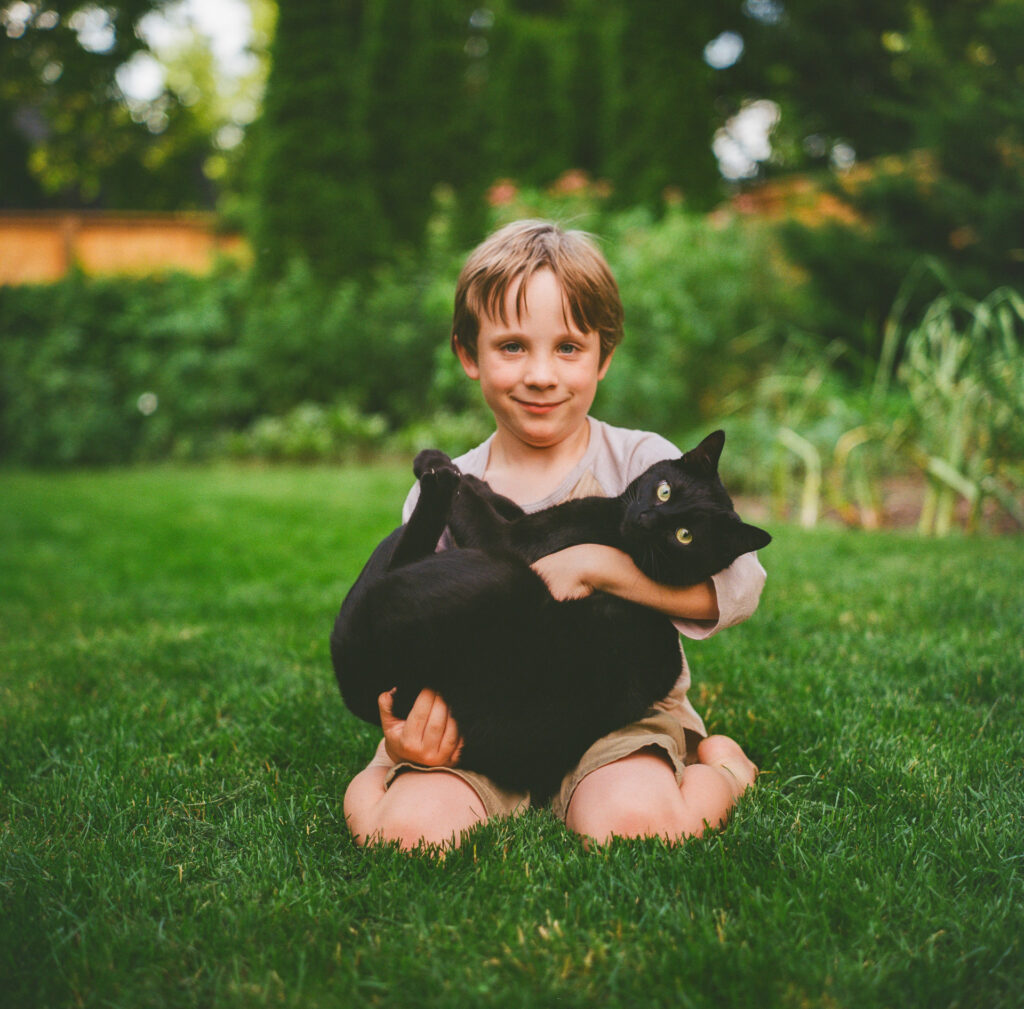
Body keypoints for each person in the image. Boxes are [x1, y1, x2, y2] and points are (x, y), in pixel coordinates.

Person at [343, 220, 764, 850]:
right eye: (512, 346)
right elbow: (405, 619)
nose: (541, 374)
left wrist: (598, 565)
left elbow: (739, 586)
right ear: (468, 354)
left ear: (604, 357)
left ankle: (725, 768)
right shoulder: (451, 486)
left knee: (635, 829)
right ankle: (376, 779)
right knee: (408, 836)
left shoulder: (642, 462)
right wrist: (402, 729)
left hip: (617, 719)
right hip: (480, 722)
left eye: (568, 347)